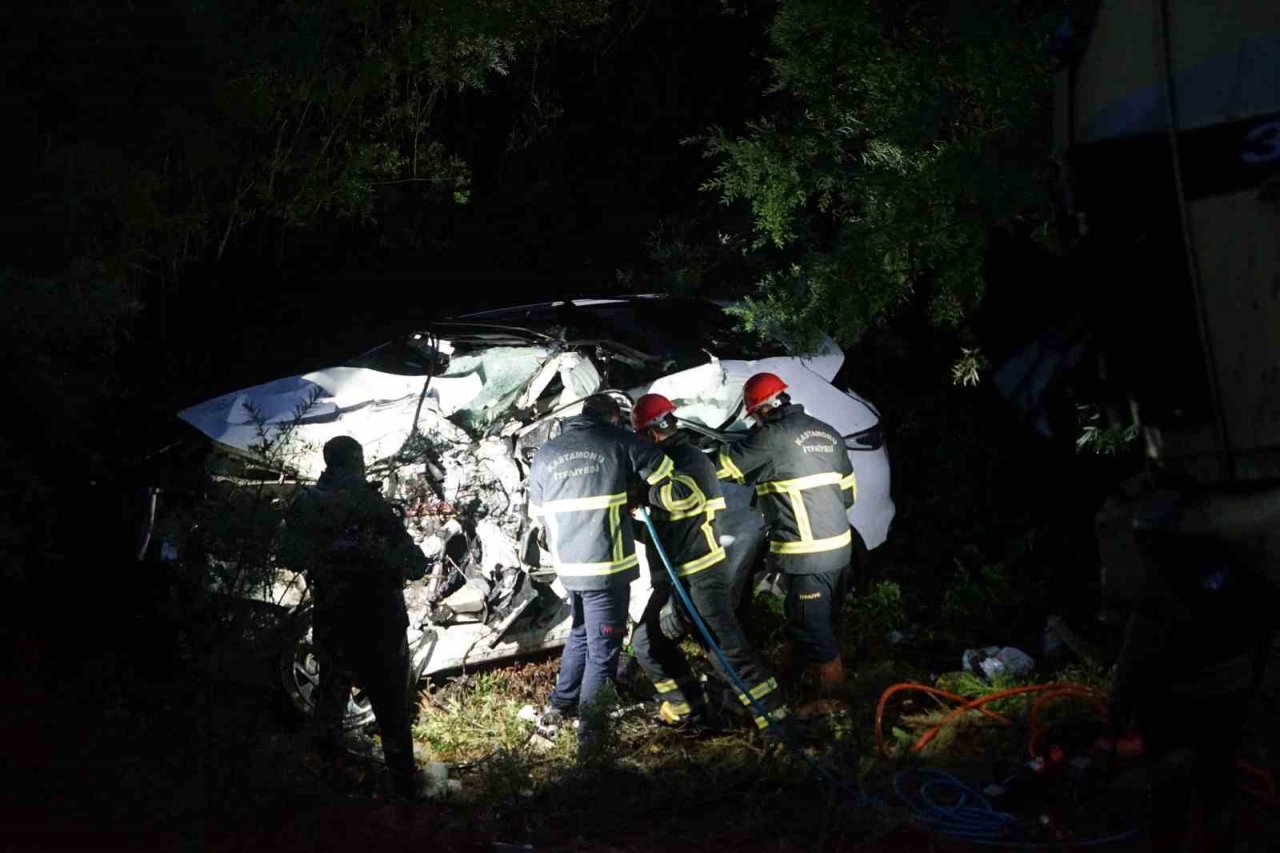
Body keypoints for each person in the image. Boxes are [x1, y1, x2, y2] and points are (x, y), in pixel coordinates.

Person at [528, 394, 697, 751]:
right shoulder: (618, 440)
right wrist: (633, 490)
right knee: (604, 648)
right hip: (606, 569)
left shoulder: (545, 454)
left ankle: (560, 705)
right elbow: (666, 471)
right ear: (615, 419)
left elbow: (538, 512)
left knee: (580, 633)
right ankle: (592, 740)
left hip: (568, 569)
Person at [628, 393, 789, 732]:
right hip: (676, 578)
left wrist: (645, 493)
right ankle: (690, 709)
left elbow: (686, 497)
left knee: (725, 648)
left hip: (701, 574)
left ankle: (776, 719)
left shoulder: (689, 458)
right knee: (646, 644)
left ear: (650, 433)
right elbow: (665, 529)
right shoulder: (668, 463)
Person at [280, 435, 429, 799]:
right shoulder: (372, 504)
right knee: (391, 706)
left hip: (333, 618)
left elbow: (291, 558)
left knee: (330, 701)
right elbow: (415, 565)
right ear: (358, 461)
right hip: (380, 620)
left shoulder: (307, 505)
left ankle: (328, 787)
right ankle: (403, 790)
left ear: (328, 463)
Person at [716, 372, 856, 717]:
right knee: (804, 619)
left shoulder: (770, 438)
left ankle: (835, 705)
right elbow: (848, 496)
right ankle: (789, 681)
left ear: (760, 411)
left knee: (814, 628)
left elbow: (720, 467)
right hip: (840, 551)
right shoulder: (828, 432)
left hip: (807, 555)